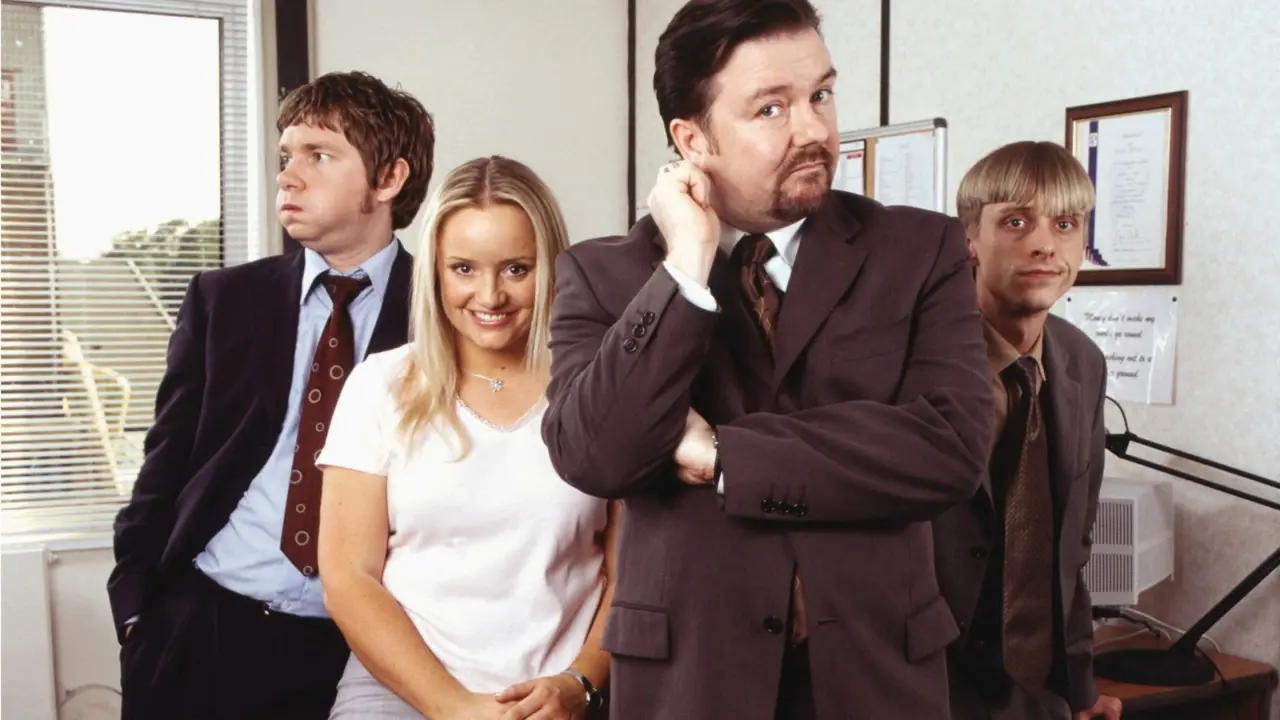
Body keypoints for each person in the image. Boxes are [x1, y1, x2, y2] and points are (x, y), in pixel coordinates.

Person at [539, 0, 995, 717]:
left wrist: (724, 455)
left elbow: (950, 449)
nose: (813, 130)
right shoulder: (604, 276)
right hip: (693, 682)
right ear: (692, 139)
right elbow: (595, 455)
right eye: (771, 109)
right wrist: (686, 268)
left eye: (821, 95)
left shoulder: (921, 251)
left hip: (876, 677)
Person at [107, 70, 435, 719]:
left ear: (388, 179)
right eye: (286, 156)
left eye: (319, 155)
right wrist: (137, 611)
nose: (288, 176)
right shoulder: (224, 299)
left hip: (362, 653)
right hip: (202, 630)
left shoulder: (446, 314)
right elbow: (164, 467)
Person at [316, 156, 617, 720]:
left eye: (516, 269)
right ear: (435, 272)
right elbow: (348, 578)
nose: (489, 295)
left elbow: (630, 577)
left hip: (556, 698)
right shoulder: (380, 385)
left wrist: (577, 685)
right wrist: (453, 706)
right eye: (463, 269)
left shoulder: (599, 390)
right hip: (400, 691)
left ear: (552, 268)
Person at [933, 141, 1122, 720]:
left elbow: (1072, 547)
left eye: (1065, 224)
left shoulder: (1083, 361)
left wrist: (1081, 687)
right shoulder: (916, 355)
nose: (1045, 244)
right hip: (924, 681)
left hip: (1037, 691)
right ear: (969, 240)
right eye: (1016, 222)